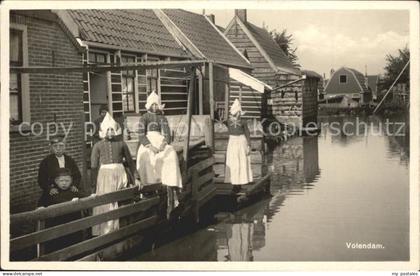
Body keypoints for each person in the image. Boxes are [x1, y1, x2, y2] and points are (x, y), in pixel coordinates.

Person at [91, 112, 141, 236]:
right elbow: (93, 167)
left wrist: (136, 178)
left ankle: (122, 229)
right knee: (106, 202)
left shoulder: (122, 144)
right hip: (105, 176)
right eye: (107, 130)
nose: (110, 132)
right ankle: (105, 231)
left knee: (121, 200)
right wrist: (93, 186)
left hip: (120, 174)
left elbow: (130, 162)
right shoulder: (97, 146)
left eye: (112, 130)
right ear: (103, 131)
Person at [136, 91, 182, 216]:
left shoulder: (162, 117)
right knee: (145, 156)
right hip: (148, 142)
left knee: (171, 153)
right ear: (149, 105)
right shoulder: (144, 117)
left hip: (160, 140)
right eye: (153, 105)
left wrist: (163, 144)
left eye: (157, 105)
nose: (155, 107)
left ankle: (169, 180)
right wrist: (150, 146)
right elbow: (140, 134)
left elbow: (167, 133)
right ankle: (149, 184)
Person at [41, 168, 87, 253]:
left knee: (74, 241)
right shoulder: (52, 192)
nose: (64, 183)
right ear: (56, 181)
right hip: (57, 223)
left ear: (71, 181)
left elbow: (84, 197)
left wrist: (91, 197)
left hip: (73, 223)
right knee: (59, 243)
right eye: (61, 181)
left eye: (67, 181)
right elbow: (44, 203)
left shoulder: (73, 190)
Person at [37, 134, 82, 207]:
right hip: (54, 191)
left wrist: (74, 185)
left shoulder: (70, 160)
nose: (58, 148)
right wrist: (49, 189)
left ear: (65, 147)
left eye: (61, 146)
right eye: (55, 146)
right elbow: (41, 179)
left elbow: (77, 176)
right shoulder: (46, 162)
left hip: (69, 189)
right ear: (51, 148)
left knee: (77, 203)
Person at [224, 99, 253, 192]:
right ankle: (234, 182)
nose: (240, 114)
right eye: (239, 112)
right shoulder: (228, 121)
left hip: (241, 141)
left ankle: (240, 182)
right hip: (232, 141)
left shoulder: (243, 122)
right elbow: (221, 120)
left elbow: (247, 133)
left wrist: (249, 145)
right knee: (233, 162)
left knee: (241, 161)